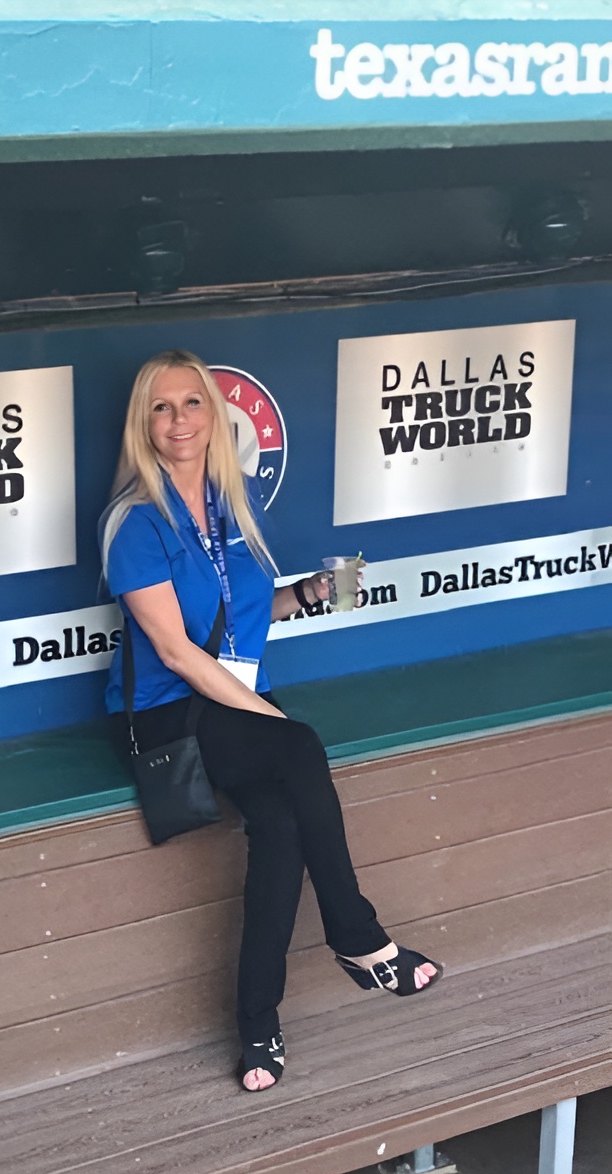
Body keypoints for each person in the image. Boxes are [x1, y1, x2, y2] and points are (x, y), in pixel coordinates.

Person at [99, 349, 442, 1093]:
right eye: (161, 407)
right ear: (142, 424)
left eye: (193, 403)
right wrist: (269, 720)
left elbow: (244, 615)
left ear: (214, 414)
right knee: (300, 745)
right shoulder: (135, 523)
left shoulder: (233, 503)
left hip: (233, 699)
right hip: (168, 713)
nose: (179, 420)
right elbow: (177, 653)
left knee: (282, 827)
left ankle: (258, 1025)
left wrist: (309, 594)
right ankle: (355, 934)